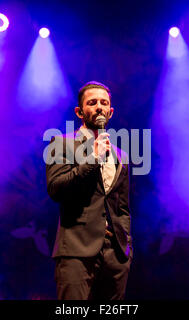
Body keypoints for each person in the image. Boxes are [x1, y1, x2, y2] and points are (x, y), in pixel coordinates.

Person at [46, 81, 132, 300]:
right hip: (77, 249)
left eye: (104, 103)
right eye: (92, 103)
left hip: (115, 253)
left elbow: (122, 207)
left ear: (111, 112)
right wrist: (92, 159)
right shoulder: (61, 144)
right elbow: (56, 188)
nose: (99, 108)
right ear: (80, 111)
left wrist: (126, 246)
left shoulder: (120, 155)